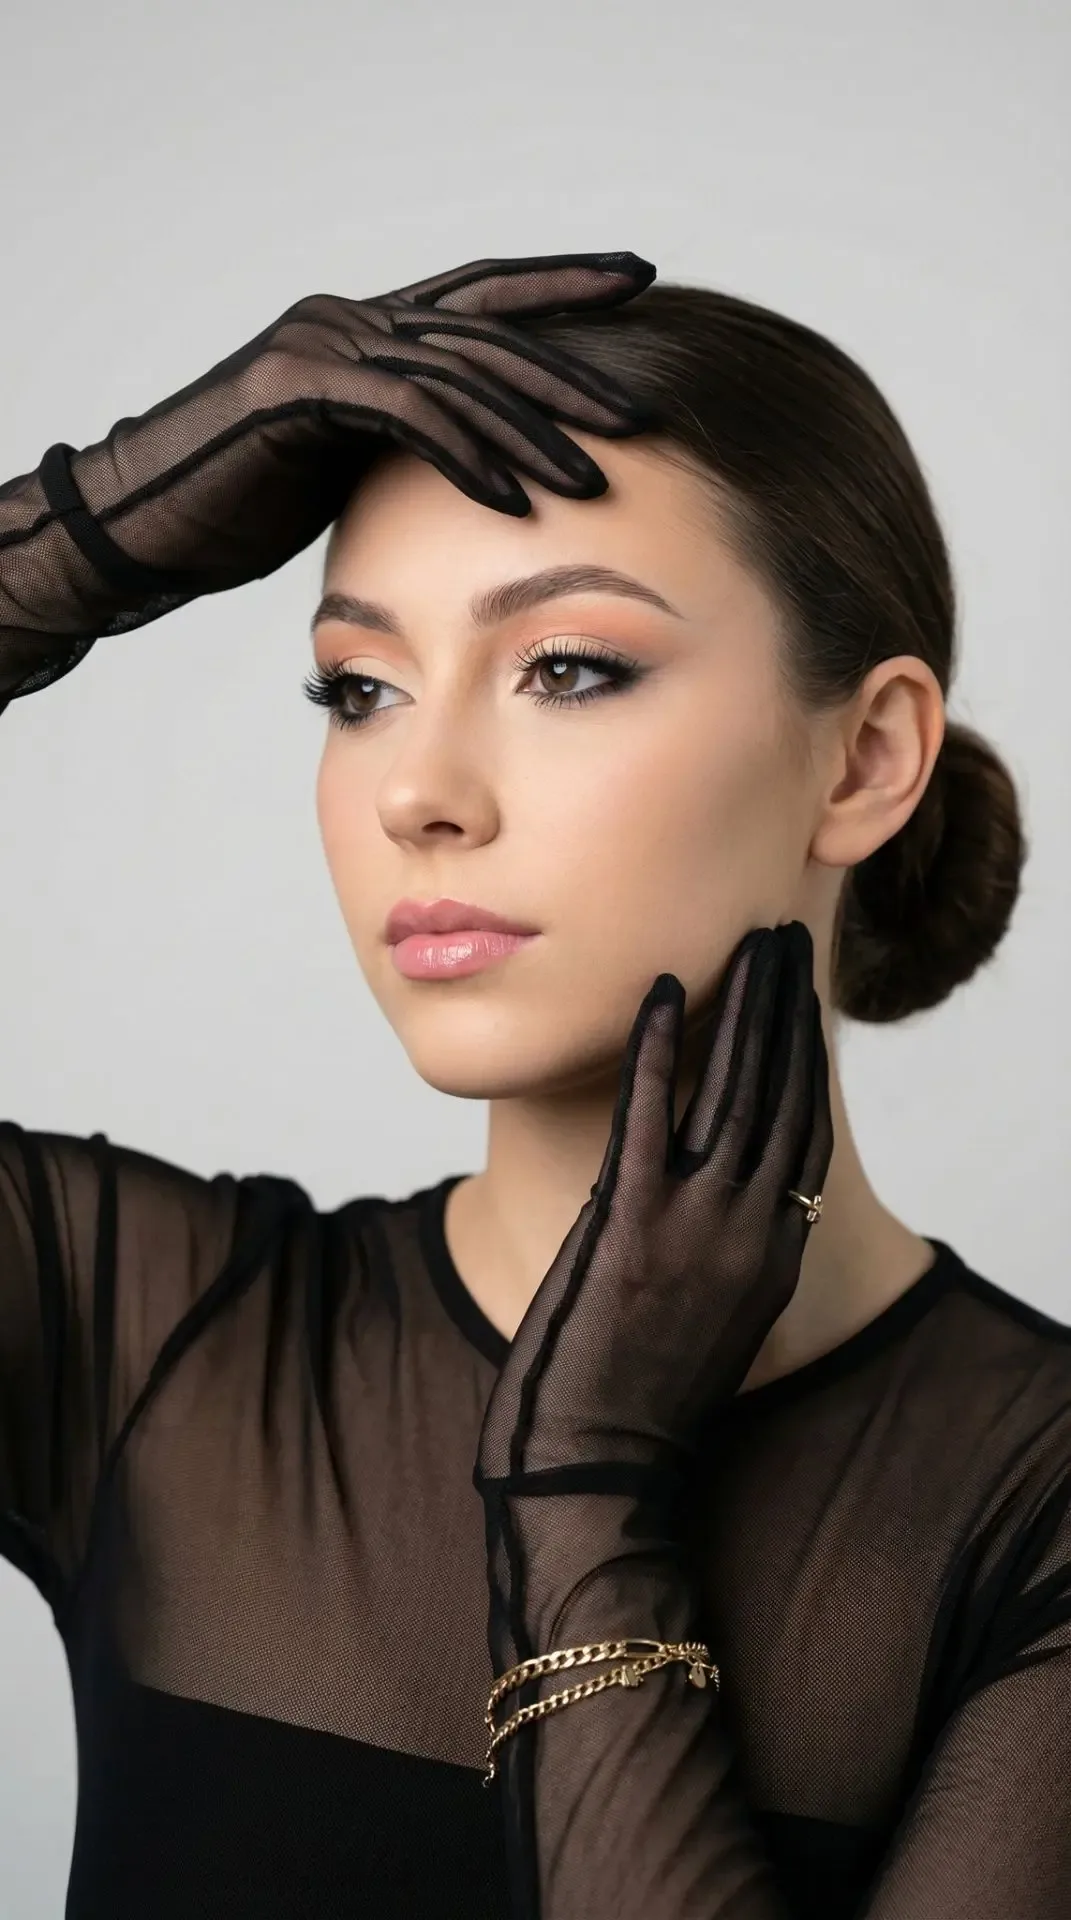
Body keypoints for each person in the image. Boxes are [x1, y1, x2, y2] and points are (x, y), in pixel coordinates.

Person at [1, 250, 1068, 1920]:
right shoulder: (144, 1336)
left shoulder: (1037, 1505)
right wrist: (78, 533)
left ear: (864, 758)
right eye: (360, 687)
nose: (416, 790)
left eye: (565, 666)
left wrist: (586, 1493)